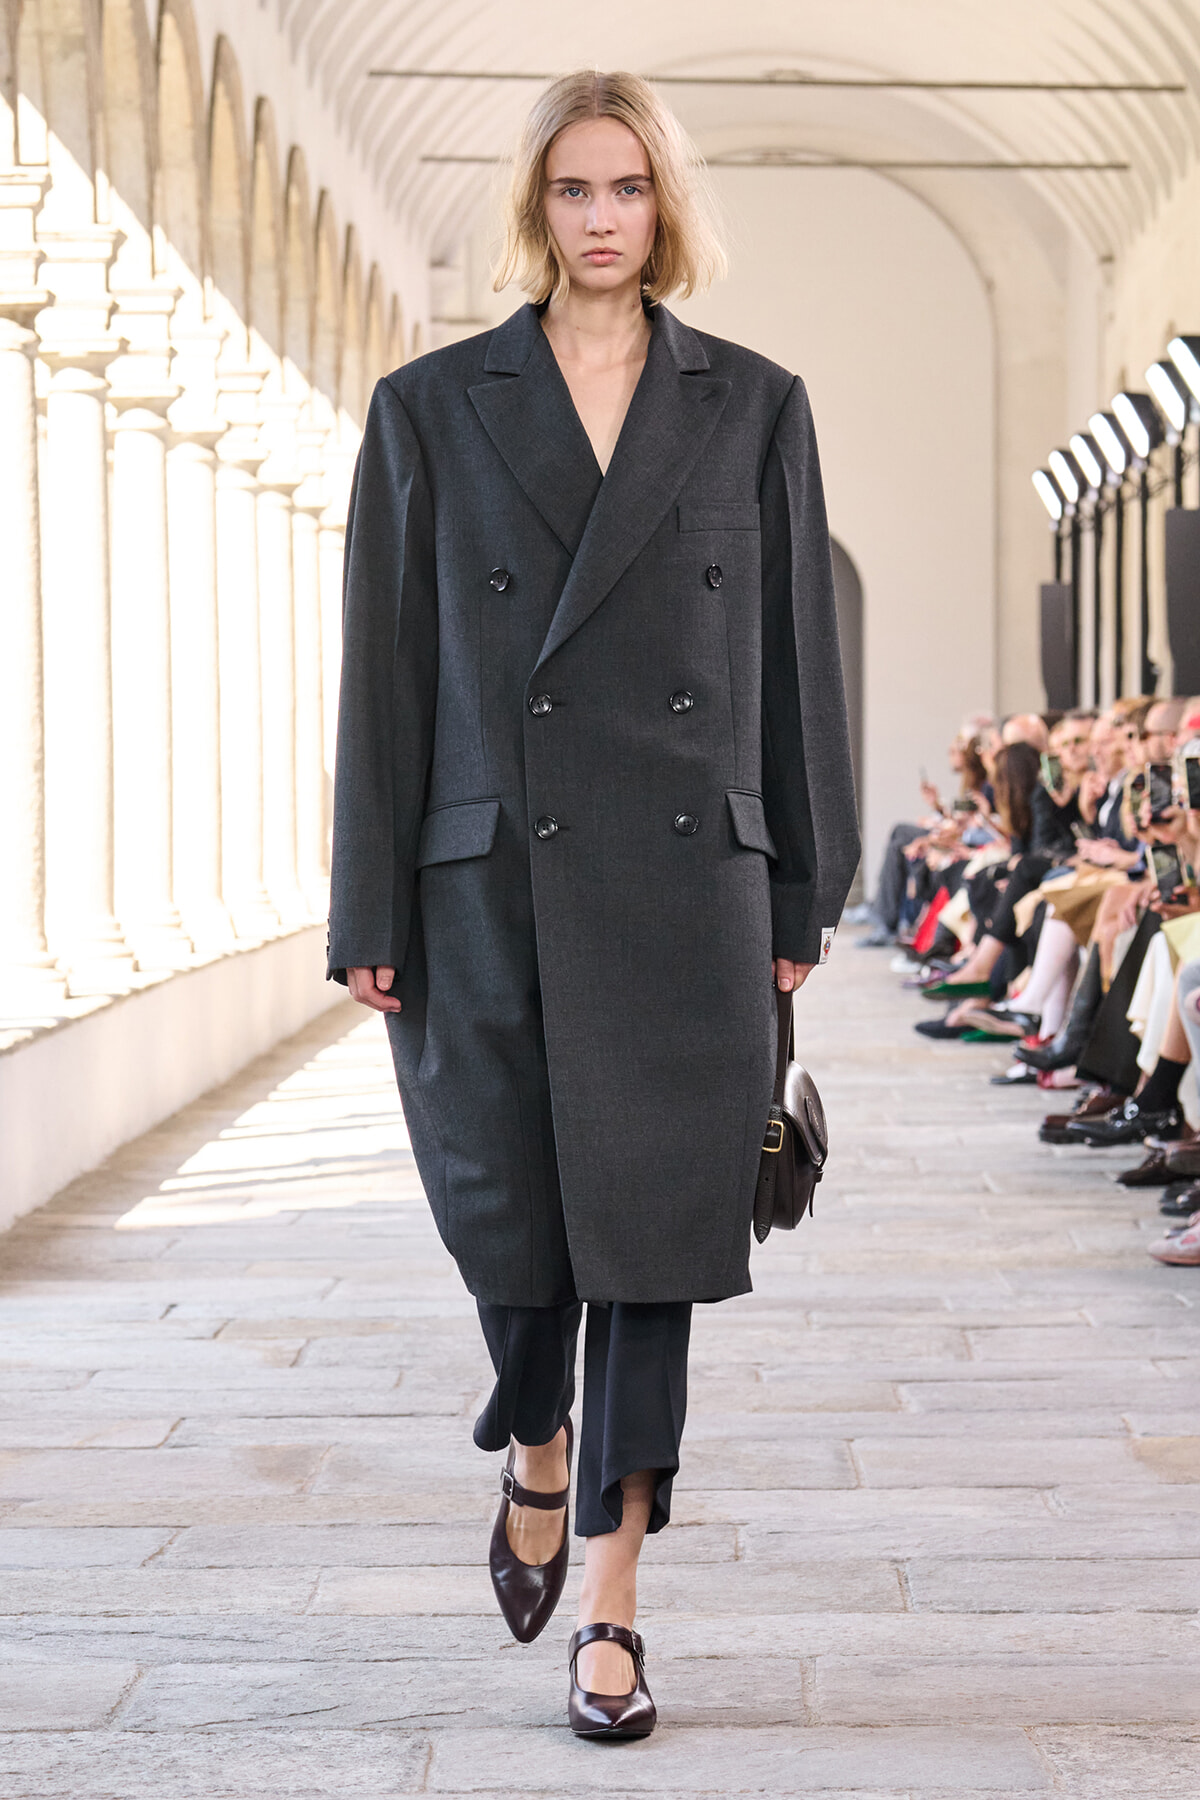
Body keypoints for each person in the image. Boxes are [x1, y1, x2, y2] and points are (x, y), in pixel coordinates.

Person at [326, 69, 859, 1740]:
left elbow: (793, 665)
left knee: (649, 1247)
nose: (604, 216)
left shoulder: (753, 404)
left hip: (695, 882)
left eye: (629, 186)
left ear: (666, 206)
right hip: (487, 879)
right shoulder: (432, 407)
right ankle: (532, 1442)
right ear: (536, 208)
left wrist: (806, 887)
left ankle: (614, 1608)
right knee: (509, 1214)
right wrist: (367, 901)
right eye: (574, 189)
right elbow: (386, 673)